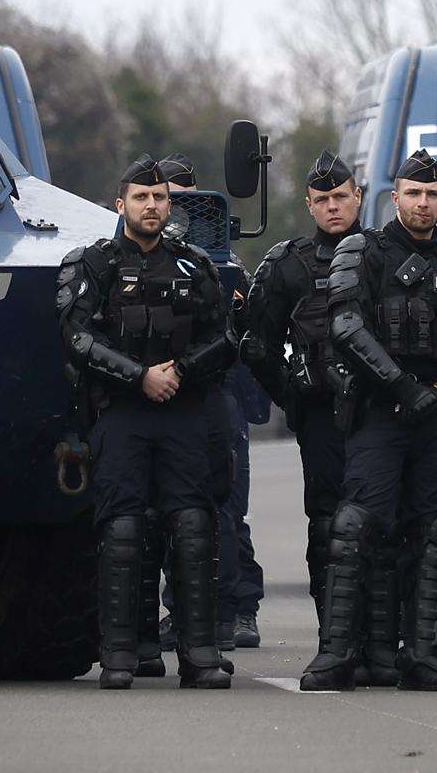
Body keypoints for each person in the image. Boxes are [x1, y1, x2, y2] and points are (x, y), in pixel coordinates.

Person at [298, 149, 437, 693]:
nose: (424, 203)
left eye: (433, 194)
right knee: (357, 526)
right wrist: (402, 387)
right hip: (379, 410)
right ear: (394, 197)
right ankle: (336, 653)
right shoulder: (364, 252)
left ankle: (423, 655)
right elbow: (345, 324)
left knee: (433, 531)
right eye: (414, 193)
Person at [56, 154, 237, 690]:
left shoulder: (194, 265)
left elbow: (226, 336)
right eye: (141, 197)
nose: (152, 206)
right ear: (121, 205)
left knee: (192, 527)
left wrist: (178, 371)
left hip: (183, 412)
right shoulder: (92, 264)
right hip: (122, 415)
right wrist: (139, 377)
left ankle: (199, 655)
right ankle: (119, 655)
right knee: (123, 529)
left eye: (159, 198)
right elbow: (77, 337)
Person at [243, 150, 362, 643]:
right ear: (309, 205)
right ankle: (334, 632)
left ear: (357, 196)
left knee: (387, 522)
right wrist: (292, 395)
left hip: (384, 415)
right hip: (321, 416)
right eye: (323, 200)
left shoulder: (385, 254)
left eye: (341, 197)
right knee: (328, 524)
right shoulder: (287, 266)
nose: (333, 207)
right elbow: (256, 344)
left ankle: (382, 637)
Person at [155, 152, 267, 653]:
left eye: (182, 199)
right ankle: (183, 609)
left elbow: (245, 337)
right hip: (161, 392)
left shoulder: (224, 268)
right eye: (162, 197)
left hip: (218, 395)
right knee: (166, 513)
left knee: (225, 509)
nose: (172, 209)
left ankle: (239, 606)